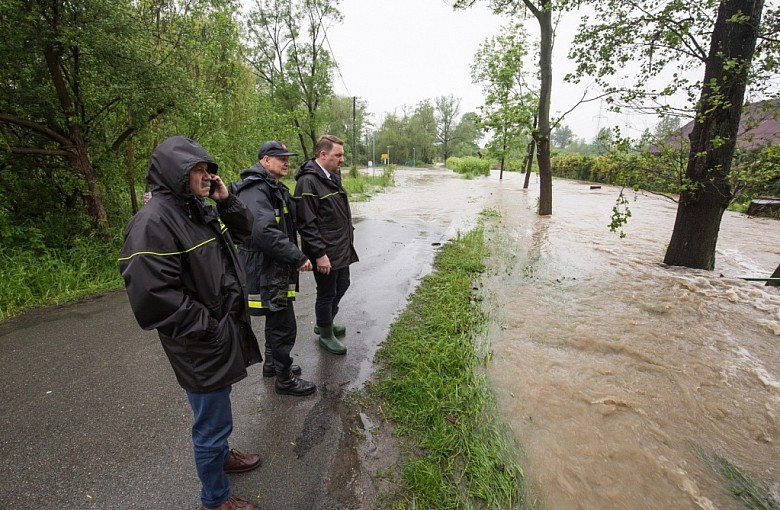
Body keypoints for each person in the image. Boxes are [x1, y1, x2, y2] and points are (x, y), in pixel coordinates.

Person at [118, 135, 262, 510]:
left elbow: (246, 229)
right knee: (211, 423)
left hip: (217, 331)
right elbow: (153, 298)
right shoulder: (153, 222)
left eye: (206, 169)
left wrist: (225, 199)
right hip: (200, 339)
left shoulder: (196, 208)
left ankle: (224, 456)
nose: (205, 176)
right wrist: (208, 326)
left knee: (219, 410)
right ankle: (214, 499)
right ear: (174, 173)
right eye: (196, 170)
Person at [230, 141, 316, 396]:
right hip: (265, 270)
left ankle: (272, 365)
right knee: (283, 325)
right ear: (265, 161)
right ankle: (285, 380)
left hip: (272, 268)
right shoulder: (256, 189)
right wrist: (297, 257)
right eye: (281, 158)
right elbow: (264, 232)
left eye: (287, 157)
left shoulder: (273, 187)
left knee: (277, 319)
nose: (286, 162)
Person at [293, 134, 359, 355]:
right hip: (325, 251)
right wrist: (319, 254)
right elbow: (306, 223)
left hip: (340, 246)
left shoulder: (332, 175)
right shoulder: (308, 182)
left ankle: (325, 322)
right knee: (327, 293)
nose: (342, 160)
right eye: (338, 155)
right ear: (323, 154)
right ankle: (326, 334)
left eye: (342, 155)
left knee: (343, 284)